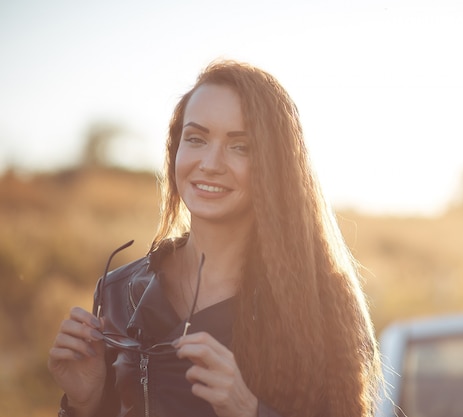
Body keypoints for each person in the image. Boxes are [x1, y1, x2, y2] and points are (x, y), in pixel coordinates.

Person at [48, 59, 382, 417]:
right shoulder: (117, 293)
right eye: (196, 139)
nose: (210, 162)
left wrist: (248, 409)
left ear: (276, 165)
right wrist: (86, 403)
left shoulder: (322, 300)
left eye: (240, 146)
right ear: (175, 149)